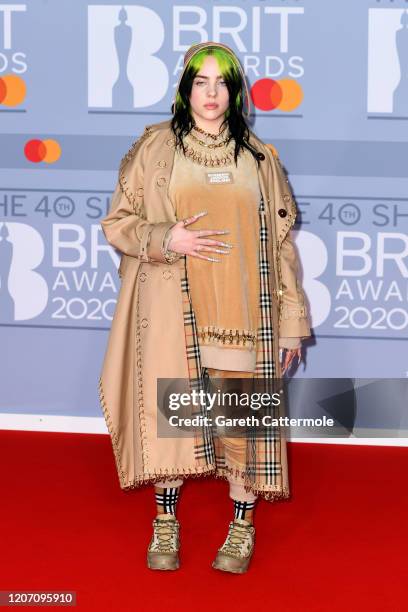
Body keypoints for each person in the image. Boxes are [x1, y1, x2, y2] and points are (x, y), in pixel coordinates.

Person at [99, 41, 311, 574]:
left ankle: (242, 526)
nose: (211, 93)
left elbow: (282, 245)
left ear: (235, 91)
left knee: (242, 430)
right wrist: (165, 236)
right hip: (176, 316)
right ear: (185, 89)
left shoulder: (259, 158)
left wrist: (290, 325)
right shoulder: (154, 149)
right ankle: (165, 521)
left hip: (245, 318)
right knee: (178, 424)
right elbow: (118, 224)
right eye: (201, 82)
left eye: (221, 82)